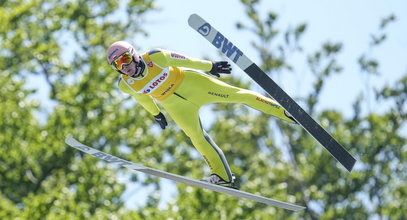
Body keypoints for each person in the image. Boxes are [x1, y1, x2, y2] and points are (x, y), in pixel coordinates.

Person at [107, 41, 296, 188]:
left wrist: (210, 66)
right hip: (174, 105)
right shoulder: (125, 84)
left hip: (194, 85)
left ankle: (286, 112)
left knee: (241, 96)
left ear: (134, 54)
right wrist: (156, 114)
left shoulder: (156, 57)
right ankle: (222, 175)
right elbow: (143, 99)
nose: (124, 67)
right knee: (196, 137)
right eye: (117, 65)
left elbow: (185, 60)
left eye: (125, 59)